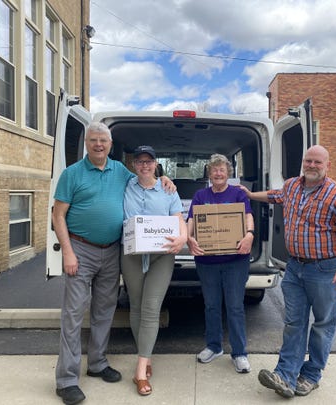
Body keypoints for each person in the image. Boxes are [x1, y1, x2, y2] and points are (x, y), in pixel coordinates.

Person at [52, 123, 175, 405]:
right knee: (73, 315)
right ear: (87, 143)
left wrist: (167, 178)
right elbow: (58, 216)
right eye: (93, 140)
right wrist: (67, 253)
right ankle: (67, 380)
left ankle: (97, 363)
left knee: (104, 311)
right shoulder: (72, 174)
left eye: (103, 141)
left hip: (112, 251)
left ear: (109, 144)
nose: (98, 145)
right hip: (80, 250)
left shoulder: (120, 170)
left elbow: (148, 177)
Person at [242, 145, 336, 398]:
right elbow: (275, 196)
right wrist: (250, 195)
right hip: (294, 267)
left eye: (318, 162)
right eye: (308, 160)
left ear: (327, 165)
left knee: (322, 325)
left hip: (325, 269)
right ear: (303, 162)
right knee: (294, 323)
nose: (312, 166)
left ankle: (310, 375)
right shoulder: (292, 187)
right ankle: (285, 375)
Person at [121, 145, 188, 396]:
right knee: (136, 306)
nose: (144, 166)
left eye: (149, 161)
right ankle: (146, 357)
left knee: (151, 307)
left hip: (162, 257)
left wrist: (182, 239)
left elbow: (179, 220)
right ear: (134, 165)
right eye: (140, 161)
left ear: (156, 163)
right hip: (132, 256)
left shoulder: (168, 189)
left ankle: (139, 371)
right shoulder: (125, 184)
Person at [186, 153, 255, 374]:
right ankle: (214, 347)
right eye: (214, 169)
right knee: (211, 305)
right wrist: (189, 238)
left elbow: (247, 216)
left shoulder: (237, 194)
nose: (218, 173)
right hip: (207, 261)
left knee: (235, 307)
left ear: (228, 173)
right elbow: (191, 220)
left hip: (235, 260)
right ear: (209, 173)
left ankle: (239, 353)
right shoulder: (200, 195)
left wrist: (250, 235)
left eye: (222, 169)